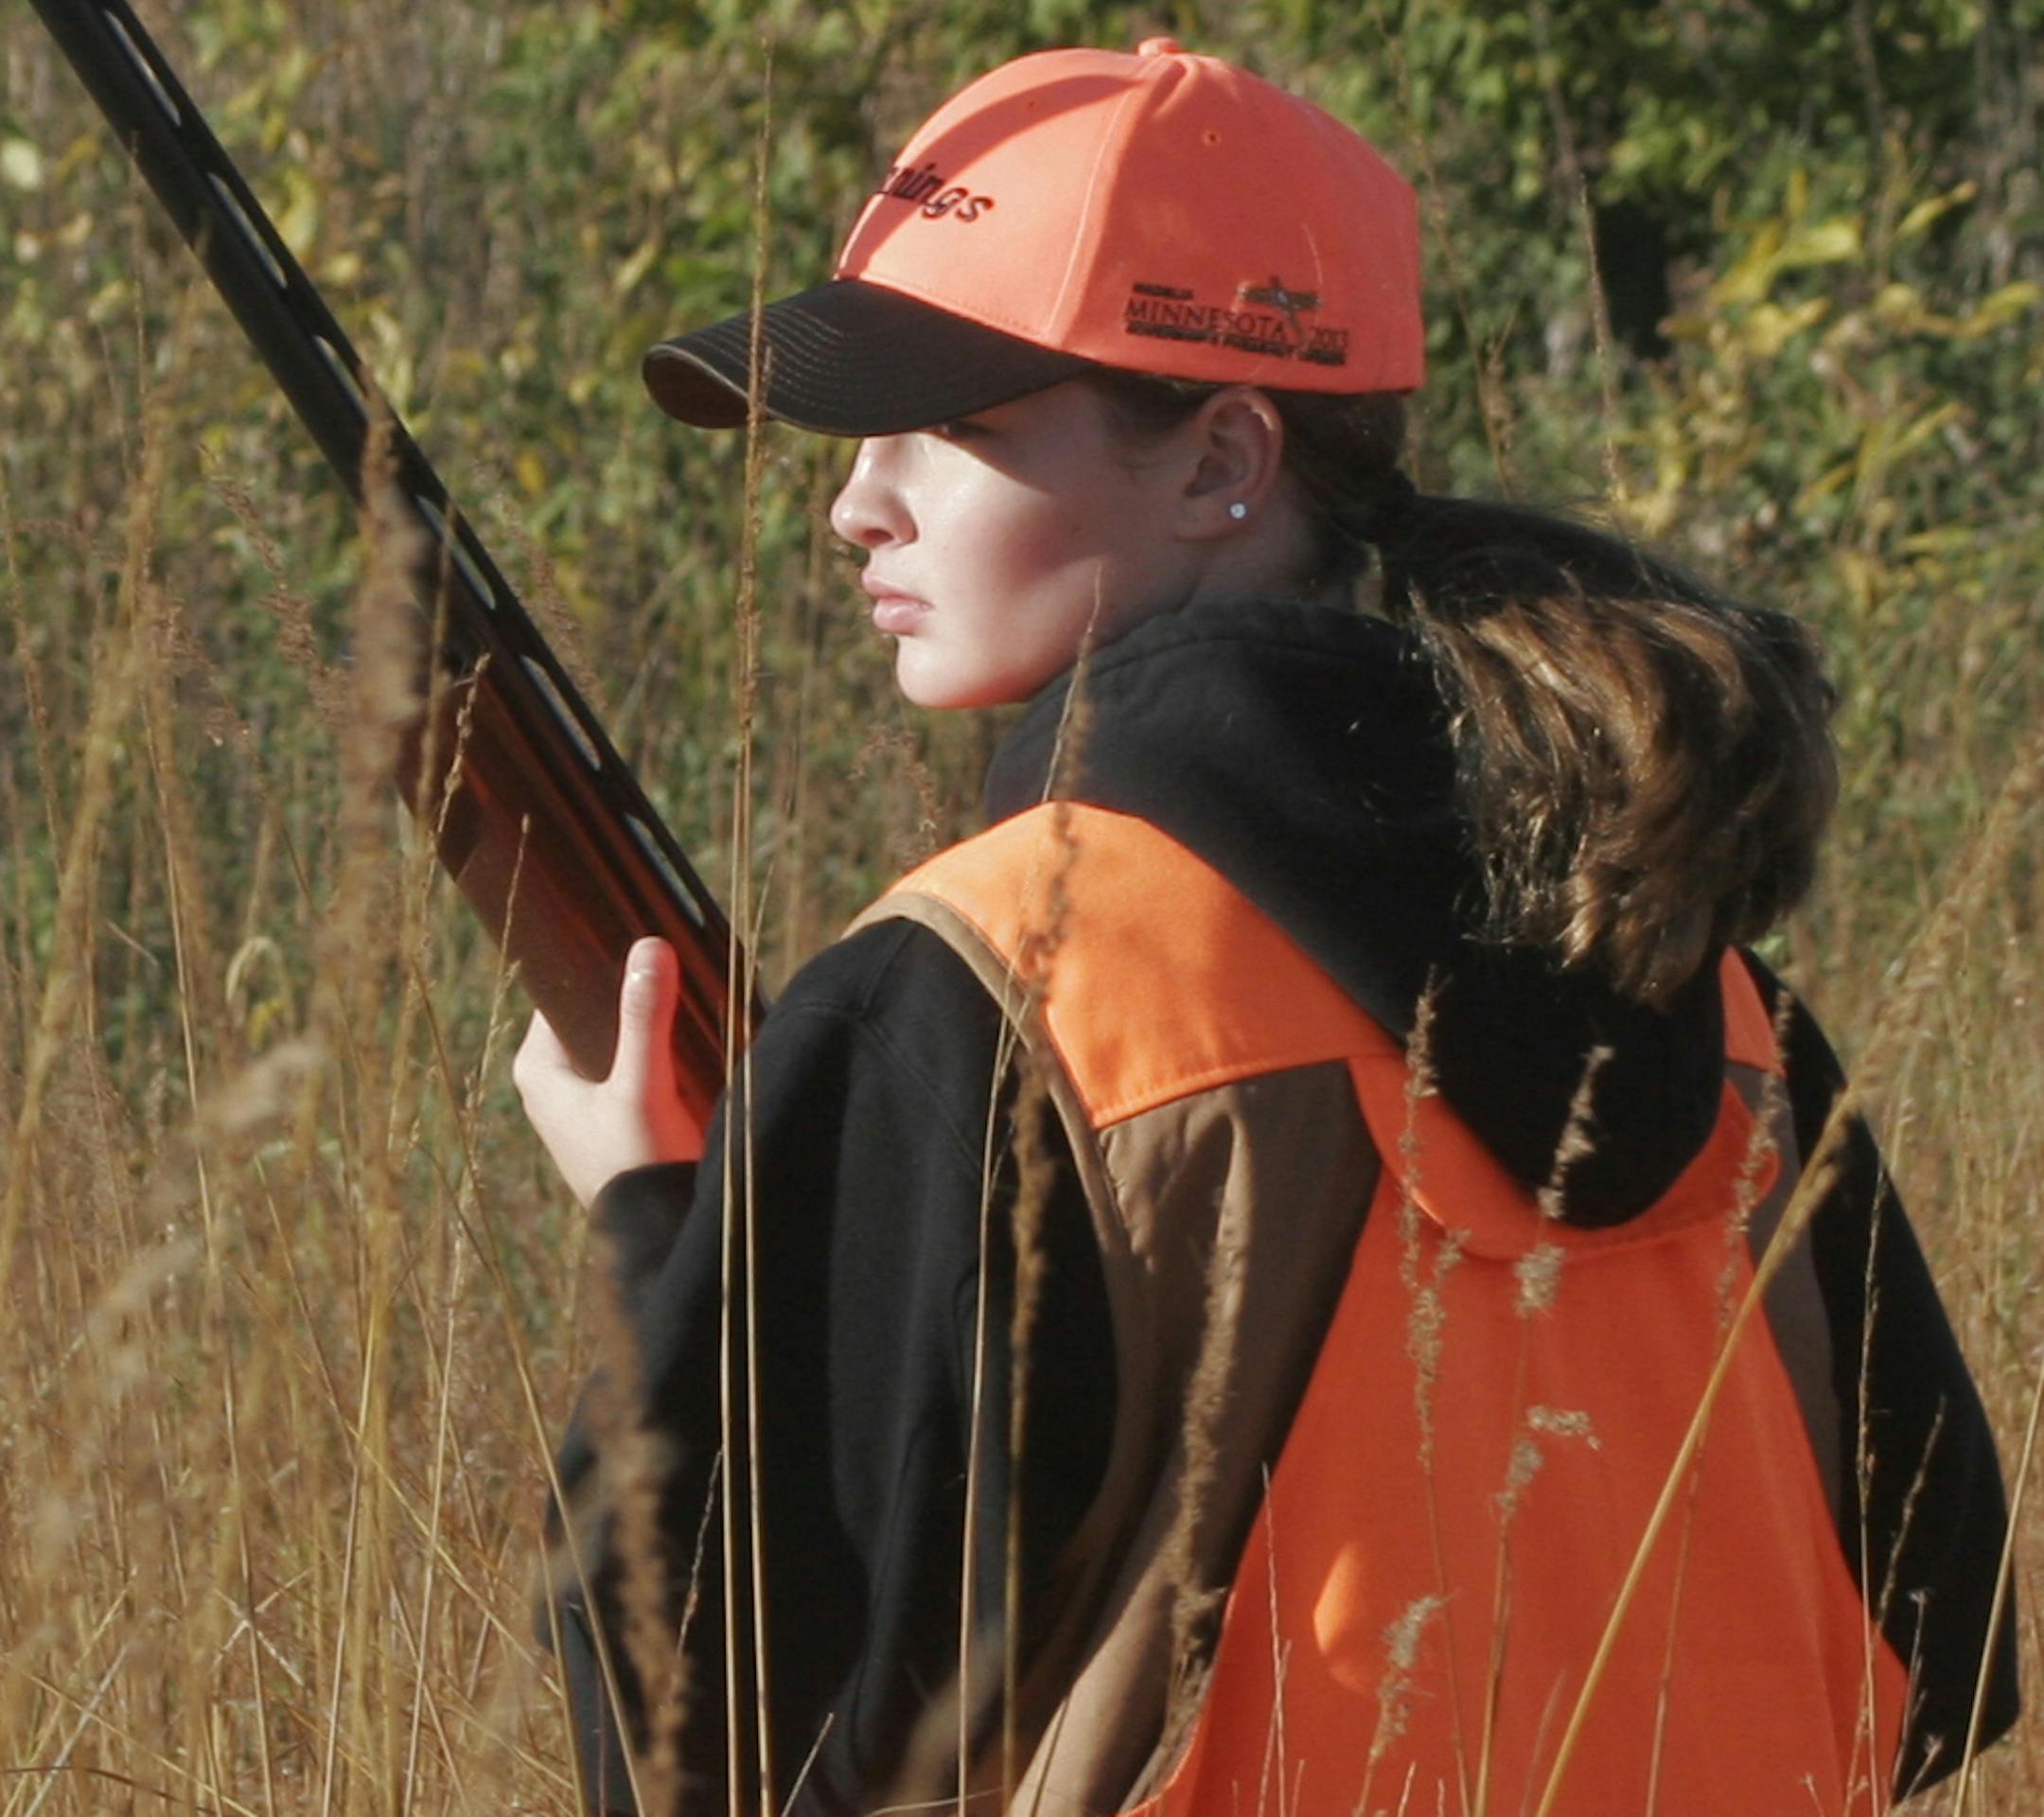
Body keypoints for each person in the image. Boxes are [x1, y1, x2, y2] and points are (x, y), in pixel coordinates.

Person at [514, 39, 2018, 1817]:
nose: (857, 500)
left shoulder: (982, 991)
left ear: (1226, 458)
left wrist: (656, 1219)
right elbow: (1943, 1649)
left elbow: (702, 1738)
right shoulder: (1705, 988)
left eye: (956, 428)